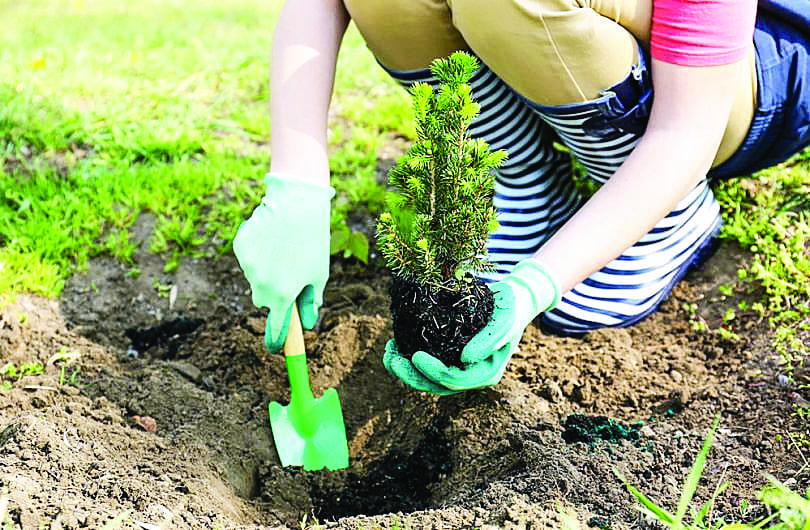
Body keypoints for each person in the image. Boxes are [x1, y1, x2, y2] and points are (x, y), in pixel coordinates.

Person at [234, 0, 810, 395]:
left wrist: (538, 284)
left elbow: (687, 130)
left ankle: (669, 215)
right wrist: (297, 184)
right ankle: (524, 185)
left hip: (741, 78)